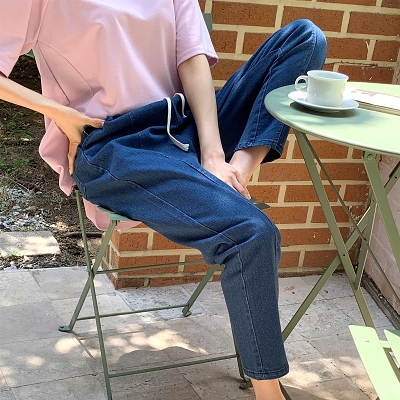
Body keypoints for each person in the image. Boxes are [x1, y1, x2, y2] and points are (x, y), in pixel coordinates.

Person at [0, 1, 327, 398]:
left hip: (184, 126)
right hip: (116, 144)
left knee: (304, 38)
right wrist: (60, 113)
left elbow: (192, 59)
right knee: (252, 234)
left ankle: (237, 171)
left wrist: (214, 155)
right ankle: (269, 393)